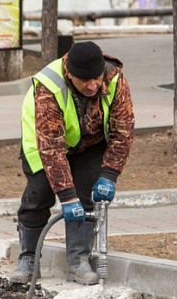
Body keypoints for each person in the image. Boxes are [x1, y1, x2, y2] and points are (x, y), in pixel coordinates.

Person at [10, 40, 135, 285]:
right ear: (70, 75)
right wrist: (67, 197)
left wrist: (109, 174)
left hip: (89, 143)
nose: (93, 85)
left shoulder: (114, 79)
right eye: (84, 81)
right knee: (39, 195)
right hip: (44, 144)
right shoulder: (49, 86)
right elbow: (52, 148)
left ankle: (78, 261)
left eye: (96, 79)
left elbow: (123, 130)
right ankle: (28, 258)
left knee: (87, 195)